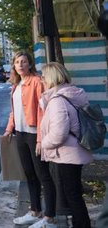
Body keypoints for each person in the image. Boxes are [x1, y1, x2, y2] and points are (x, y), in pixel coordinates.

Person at [4, 50, 56, 227]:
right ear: (14, 65)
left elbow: (42, 112)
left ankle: (50, 217)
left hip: (34, 134)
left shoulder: (36, 82)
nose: (20, 65)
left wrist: (41, 139)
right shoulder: (16, 85)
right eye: (17, 62)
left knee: (43, 175)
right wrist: (9, 129)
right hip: (20, 134)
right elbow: (14, 111)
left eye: (24, 61)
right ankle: (35, 211)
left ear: (30, 64)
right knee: (29, 174)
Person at [39, 62, 92, 228]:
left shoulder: (58, 101)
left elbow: (59, 133)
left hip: (66, 154)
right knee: (74, 193)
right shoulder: (74, 94)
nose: (42, 80)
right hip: (75, 151)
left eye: (43, 77)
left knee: (72, 195)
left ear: (51, 78)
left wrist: (44, 143)